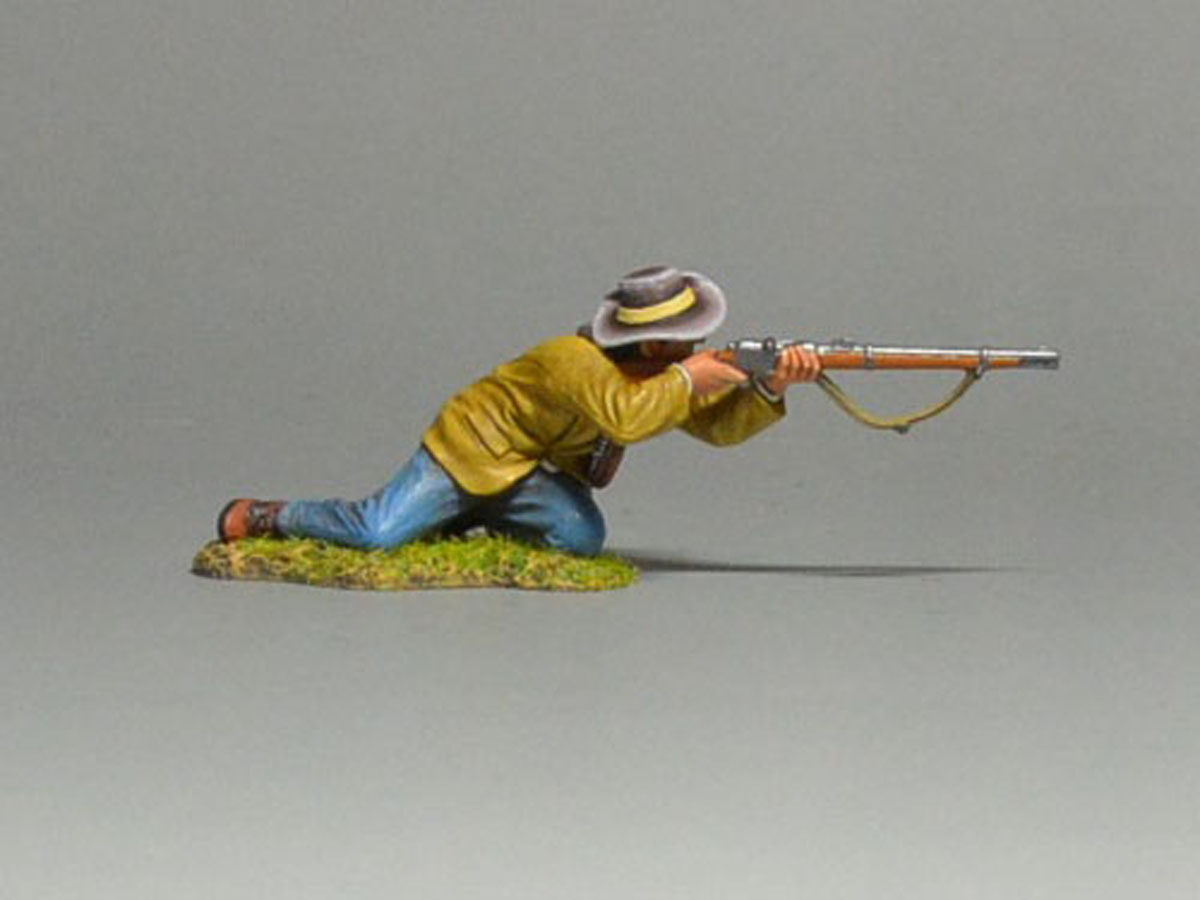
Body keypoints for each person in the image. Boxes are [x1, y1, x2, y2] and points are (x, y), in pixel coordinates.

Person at [217, 265, 822, 555]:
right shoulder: (573, 360)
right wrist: (691, 377)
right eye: (683, 341)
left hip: (524, 471)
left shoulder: (658, 379)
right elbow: (627, 419)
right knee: (374, 533)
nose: (694, 347)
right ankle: (273, 516)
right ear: (651, 345)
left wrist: (770, 389)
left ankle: (458, 521)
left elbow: (715, 429)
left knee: (580, 538)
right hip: (465, 454)